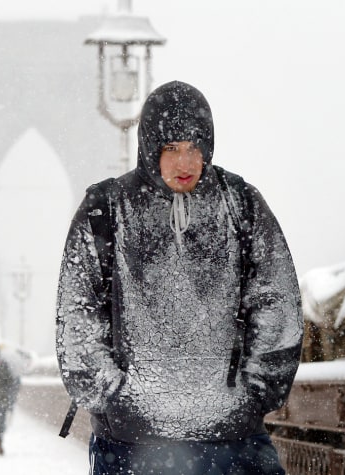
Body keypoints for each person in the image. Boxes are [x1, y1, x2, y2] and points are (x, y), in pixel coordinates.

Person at [55, 80, 303, 474]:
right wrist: (114, 397)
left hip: (230, 438)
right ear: (150, 147)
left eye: (193, 148)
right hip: (132, 441)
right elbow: (79, 312)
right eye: (170, 149)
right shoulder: (105, 209)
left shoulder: (242, 204)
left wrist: (253, 394)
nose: (184, 163)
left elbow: (275, 301)